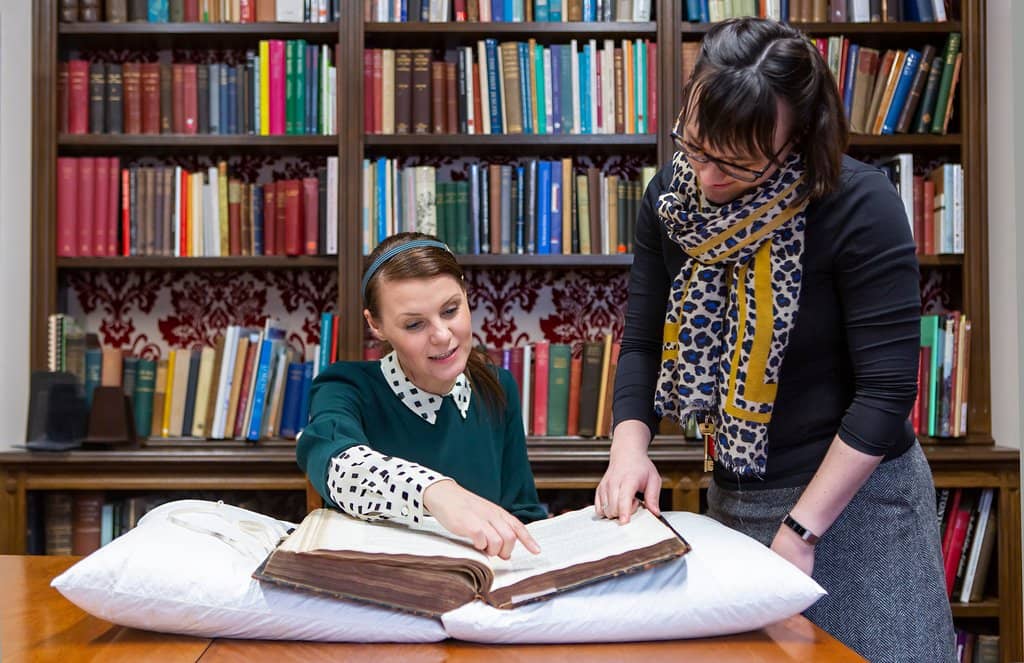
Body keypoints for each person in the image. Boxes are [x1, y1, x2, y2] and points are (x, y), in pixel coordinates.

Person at [594, 17, 954, 662]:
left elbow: (887, 388)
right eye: (696, 147)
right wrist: (628, 449)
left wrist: (801, 529)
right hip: (737, 497)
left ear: (797, 140)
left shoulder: (859, 204)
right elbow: (643, 342)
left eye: (736, 164)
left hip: (856, 506)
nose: (705, 177)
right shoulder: (669, 204)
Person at [297, 232, 544, 560]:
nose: (442, 336)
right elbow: (336, 466)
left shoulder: (498, 387)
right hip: (380, 592)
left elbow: (523, 514)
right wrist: (434, 491)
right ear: (377, 325)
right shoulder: (345, 386)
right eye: (414, 325)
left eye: (451, 310)